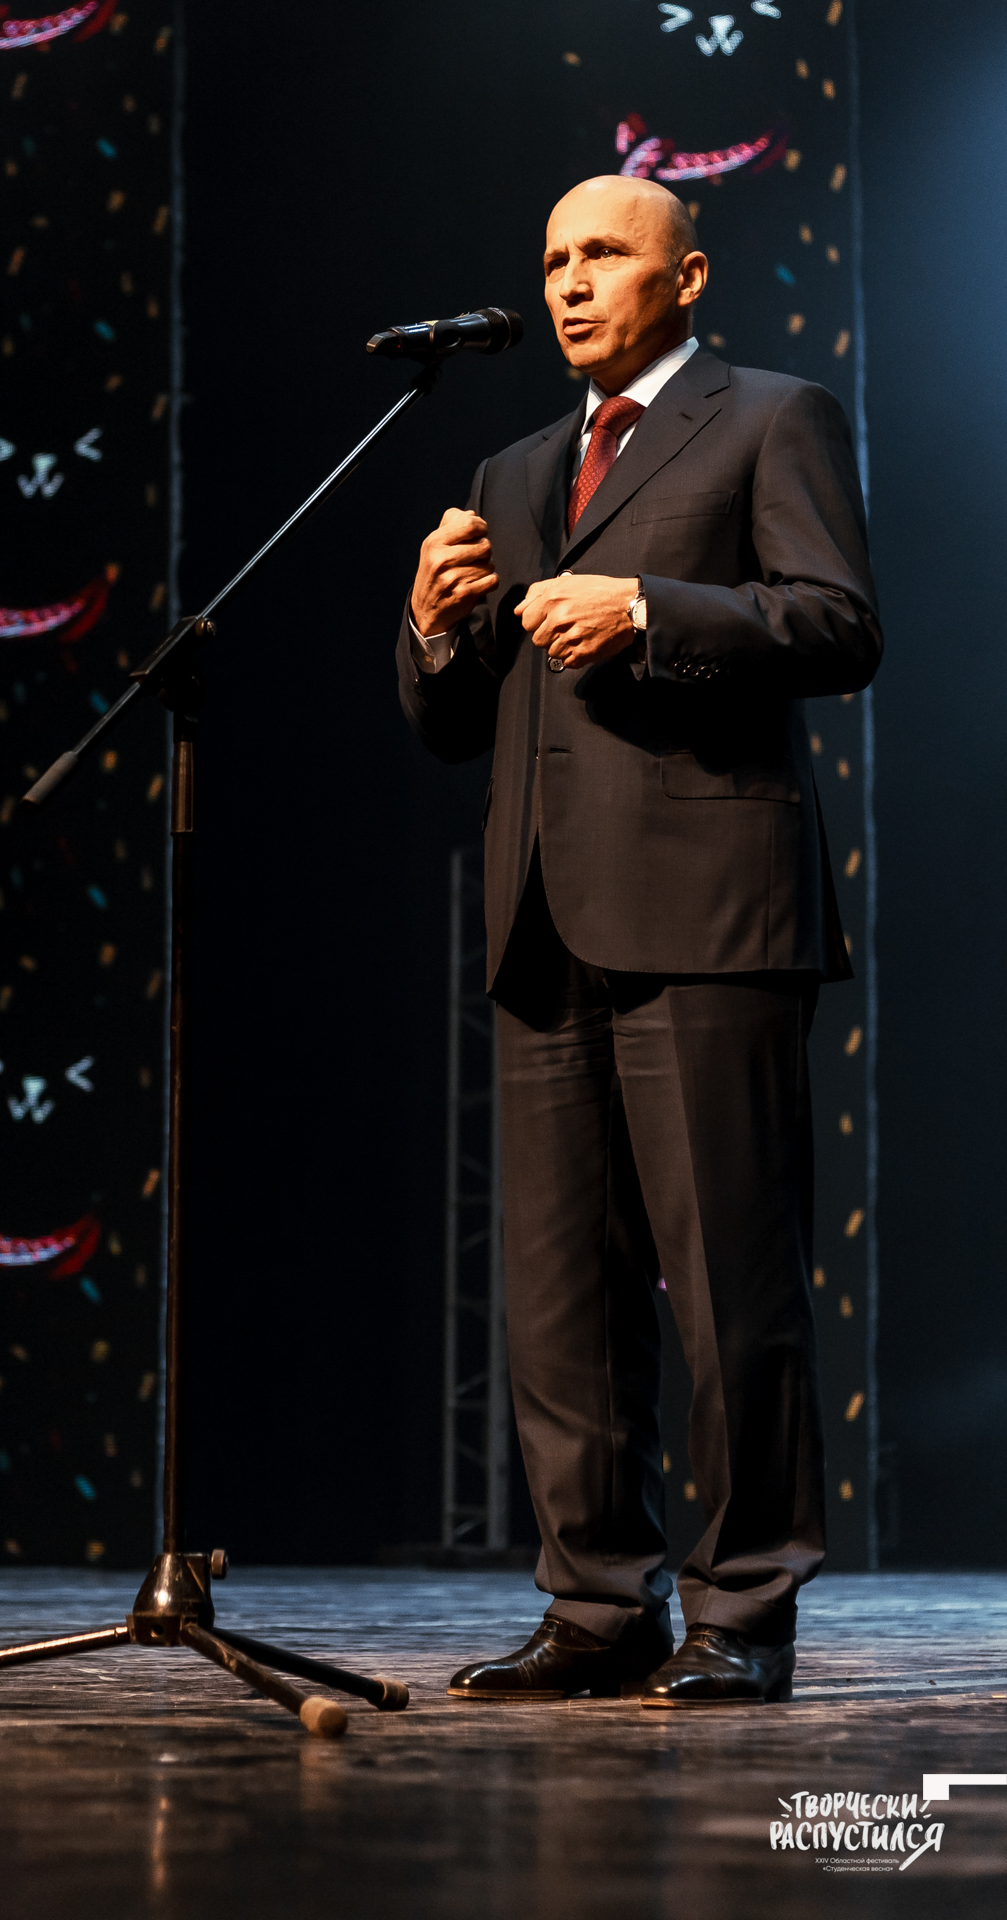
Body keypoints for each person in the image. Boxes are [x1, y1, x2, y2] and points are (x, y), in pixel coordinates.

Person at [398, 174, 881, 1707]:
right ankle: (598, 1607)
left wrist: (655, 612)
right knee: (560, 1298)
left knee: (730, 1287)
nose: (568, 282)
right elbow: (455, 721)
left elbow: (840, 622)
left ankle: (744, 1609)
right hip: (545, 917)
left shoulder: (773, 417)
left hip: (711, 912)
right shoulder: (514, 467)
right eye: (553, 259)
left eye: (603, 254)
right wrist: (432, 626)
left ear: (687, 276)